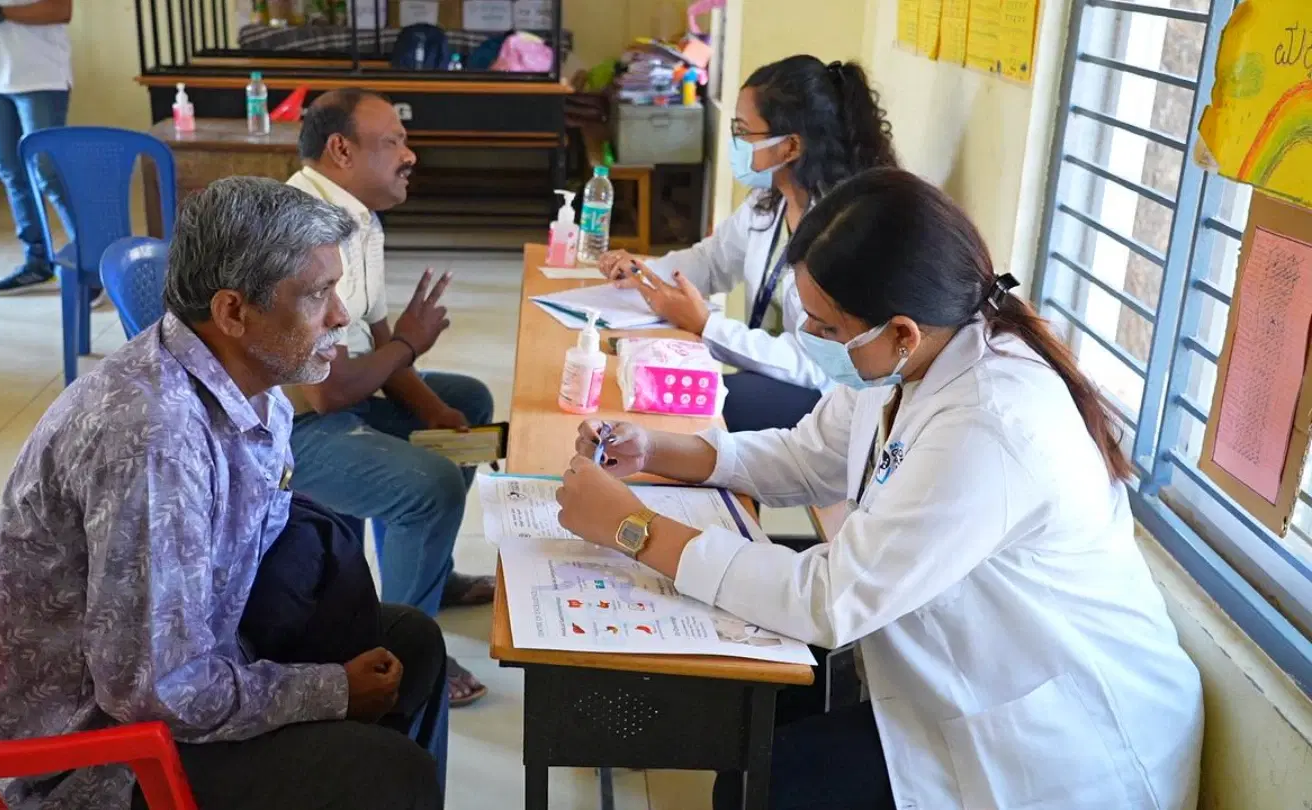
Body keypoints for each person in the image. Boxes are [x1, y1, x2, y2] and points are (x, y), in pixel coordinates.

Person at [556, 169, 1204, 810]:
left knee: (765, 784)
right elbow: (807, 455)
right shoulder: (913, 358)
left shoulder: (991, 423)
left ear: (901, 332)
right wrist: (658, 449)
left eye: (826, 329)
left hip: (1060, 748)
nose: (812, 341)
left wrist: (634, 529)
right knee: (744, 713)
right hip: (948, 673)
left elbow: (832, 599)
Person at [0, 177, 444, 810]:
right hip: (100, 755)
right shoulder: (153, 441)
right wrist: (329, 691)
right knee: (390, 775)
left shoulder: (256, 386)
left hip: (197, 658)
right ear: (232, 312)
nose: (341, 316)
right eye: (317, 294)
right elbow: (153, 691)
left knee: (412, 645)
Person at [285, 88, 495, 706]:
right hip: (282, 431)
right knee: (431, 486)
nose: (410, 155)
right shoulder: (300, 230)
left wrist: (435, 411)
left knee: (469, 404)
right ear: (341, 150)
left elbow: (375, 337)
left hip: (338, 398)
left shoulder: (359, 220)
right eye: (392, 142)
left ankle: (429, 576)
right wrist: (408, 343)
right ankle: (400, 647)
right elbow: (328, 393)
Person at [597, 56, 897, 432]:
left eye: (743, 130)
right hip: (770, 376)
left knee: (681, 408)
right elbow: (712, 261)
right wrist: (643, 273)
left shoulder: (843, 231)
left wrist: (706, 325)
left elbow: (813, 365)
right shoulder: (769, 202)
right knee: (643, 383)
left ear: (790, 147)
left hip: (822, 398)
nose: (735, 142)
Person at [0, 0, 88, 298]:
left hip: (41, 77)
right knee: (11, 173)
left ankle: (91, 266)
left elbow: (61, 10)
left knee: (49, 174)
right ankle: (37, 263)